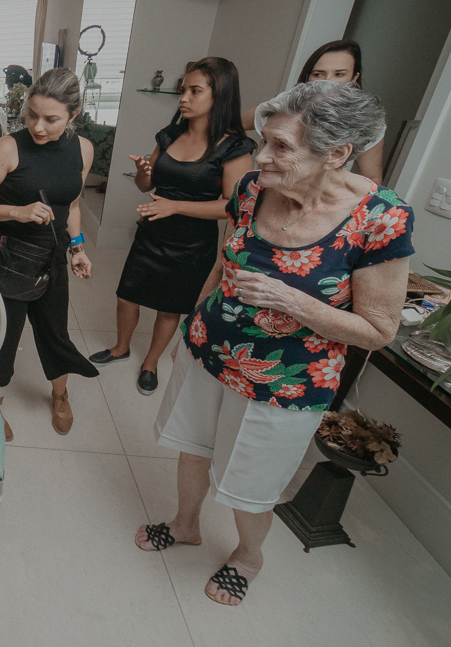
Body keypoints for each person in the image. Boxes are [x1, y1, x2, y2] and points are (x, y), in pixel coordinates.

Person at [135, 81, 414, 606]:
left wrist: (294, 301)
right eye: (263, 140)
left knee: (251, 480)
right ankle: (186, 522)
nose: (260, 155)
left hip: (286, 379)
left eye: (280, 146)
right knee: (192, 450)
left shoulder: (381, 219)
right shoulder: (252, 188)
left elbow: (380, 330)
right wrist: (195, 323)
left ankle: (247, 555)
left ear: (337, 154)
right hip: (208, 350)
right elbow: (225, 262)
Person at [89, 57, 255, 395]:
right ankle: (121, 348)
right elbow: (142, 185)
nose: (184, 98)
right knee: (126, 296)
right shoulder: (169, 135)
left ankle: (150, 363)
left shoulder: (235, 147)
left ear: (219, 96)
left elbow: (231, 205)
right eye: (183, 91)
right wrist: (144, 173)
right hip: (152, 233)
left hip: (192, 244)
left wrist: (175, 205)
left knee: (169, 307)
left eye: (195, 91)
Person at [0, 68, 98, 440]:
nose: (38, 127)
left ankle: (60, 394)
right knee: (2, 338)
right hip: (8, 256)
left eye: (51, 119)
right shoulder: (8, 148)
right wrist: (16, 211)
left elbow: (70, 205)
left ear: (73, 115)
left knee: (56, 331)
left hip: (53, 255)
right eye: (32, 115)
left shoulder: (82, 149)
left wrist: (77, 248)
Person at [240, 39, 385, 184]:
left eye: (339, 74)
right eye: (318, 74)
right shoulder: (281, 108)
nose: (328, 81)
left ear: (354, 78)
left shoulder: (367, 122)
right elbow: (230, 125)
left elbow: (372, 178)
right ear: (307, 77)